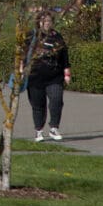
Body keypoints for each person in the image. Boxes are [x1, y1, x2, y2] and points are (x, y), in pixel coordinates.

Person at [24, 10, 71, 141]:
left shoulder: (57, 37)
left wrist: (66, 72)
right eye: (43, 21)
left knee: (56, 100)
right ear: (38, 22)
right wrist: (21, 70)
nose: (46, 24)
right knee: (38, 105)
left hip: (54, 77)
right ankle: (38, 130)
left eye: (49, 21)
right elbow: (23, 55)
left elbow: (64, 56)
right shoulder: (31, 36)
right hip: (35, 77)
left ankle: (54, 127)